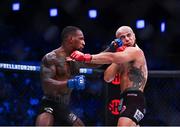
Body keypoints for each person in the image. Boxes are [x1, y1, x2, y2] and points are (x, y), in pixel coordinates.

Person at [69, 26, 148, 126]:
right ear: (118, 41)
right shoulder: (123, 57)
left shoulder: (136, 51)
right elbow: (108, 77)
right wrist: (118, 59)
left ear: (134, 36)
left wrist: (86, 57)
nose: (127, 39)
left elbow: (111, 57)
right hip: (124, 99)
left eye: (129, 35)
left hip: (134, 98)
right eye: (122, 37)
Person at [35, 26, 88, 126]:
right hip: (49, 104)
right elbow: (47, 84)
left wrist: (111, 48)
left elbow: (96, 62)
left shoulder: (77, 59)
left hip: (64, 106)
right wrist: (70, 83)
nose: (84, 42)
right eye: (81, 38)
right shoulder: (51, 57)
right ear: (71, 39)